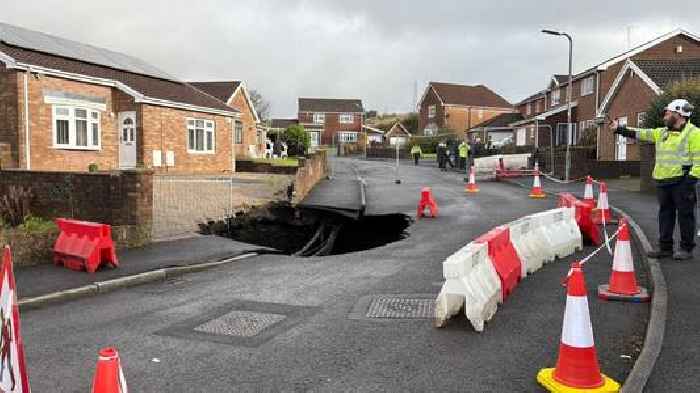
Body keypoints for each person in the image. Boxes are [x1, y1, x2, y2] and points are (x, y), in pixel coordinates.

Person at [612, 98, 699, 260]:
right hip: (663, 182)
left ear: (679, 114)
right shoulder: (662, 133)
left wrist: (691, 181)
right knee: (665, 215)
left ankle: (686, 249)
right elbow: (641, 133)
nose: (665, 116)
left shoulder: (694, 133)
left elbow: (699, 159)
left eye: (668, 113)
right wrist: (619, 129)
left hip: (682, 182)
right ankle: (665, 248)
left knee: (685, 216)